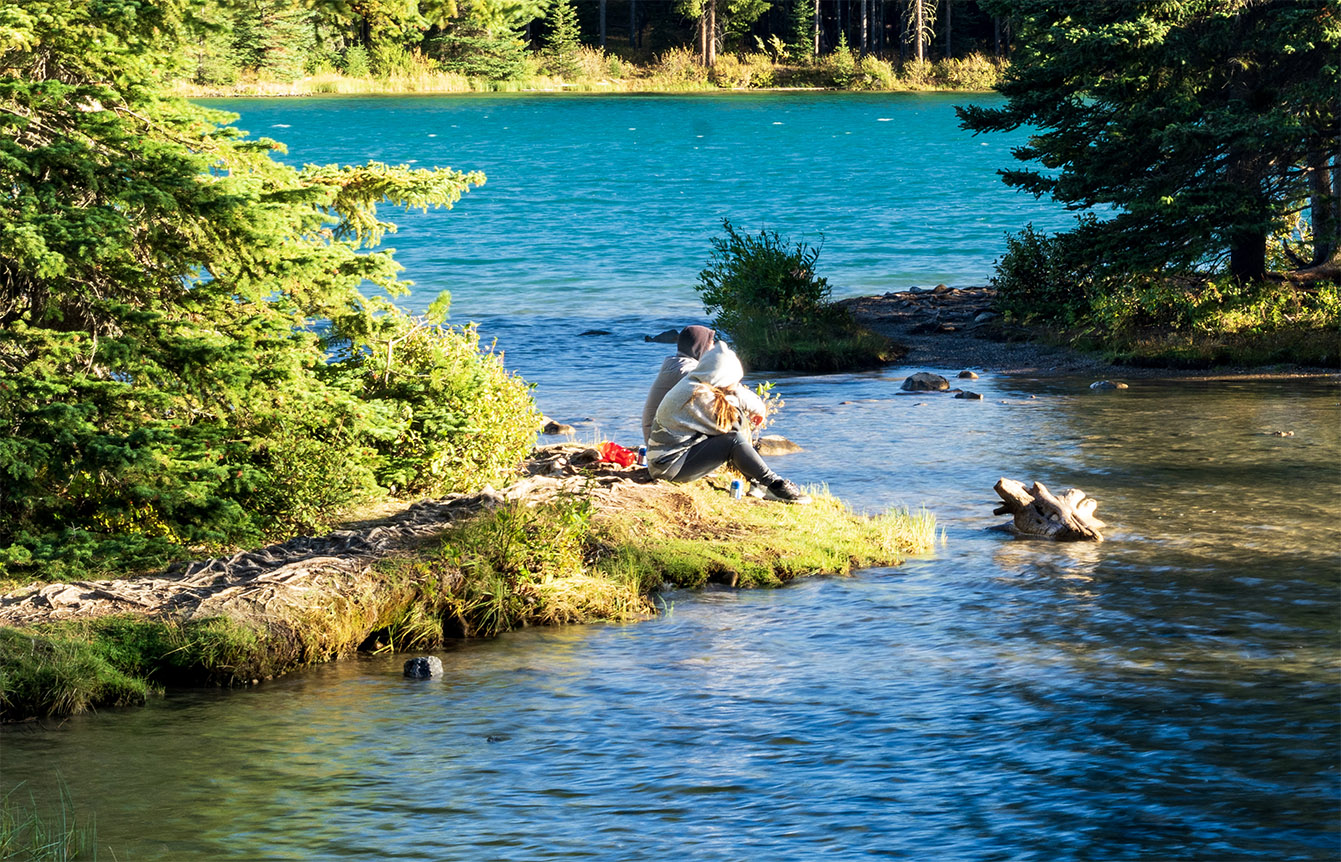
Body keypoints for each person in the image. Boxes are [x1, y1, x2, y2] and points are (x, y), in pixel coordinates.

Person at [647, 341, 812, 504]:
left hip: (667, 460)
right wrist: (737, 398)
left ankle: (759, 482)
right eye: (735, 381)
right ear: (722, 378)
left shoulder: (694, 384)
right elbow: (734, 427)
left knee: (731, 438)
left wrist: (748, 403)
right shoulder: (698, 396)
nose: (736, 385)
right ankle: (772, 484)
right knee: (732, 441)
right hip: (668, 466)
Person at [641, 325, 716, 446]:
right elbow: (713, 390)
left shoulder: (677, 365)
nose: (714, 349)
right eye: (711, 344)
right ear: (701, 346)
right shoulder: (684, 371)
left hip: (662, 437)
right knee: (732, 439)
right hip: (663, 444)